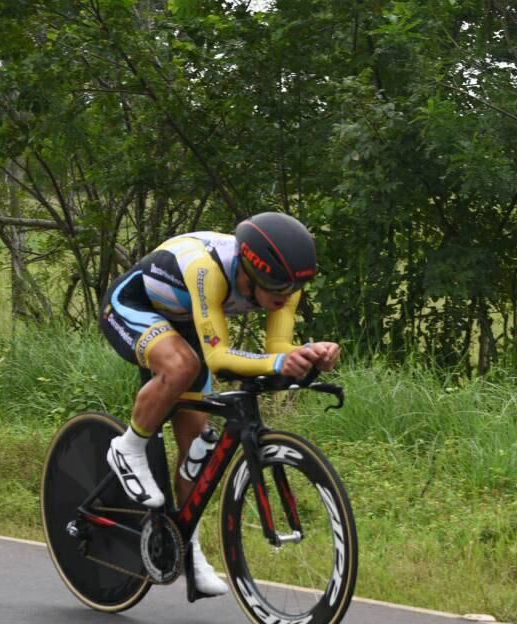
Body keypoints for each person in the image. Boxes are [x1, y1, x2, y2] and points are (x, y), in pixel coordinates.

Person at [101, 212, 342, 595]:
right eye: (277, 285)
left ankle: (188, 550)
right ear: (250, 271)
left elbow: (277, 348)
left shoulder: (284, 288)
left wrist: (310, 354)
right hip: (134, 305)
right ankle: (128, 447)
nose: (286, 295)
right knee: (182, 365)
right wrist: (278, 363)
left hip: (186, 323)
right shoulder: (208, 271)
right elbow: (218, 358)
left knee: (197, 450)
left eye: (295, 286)